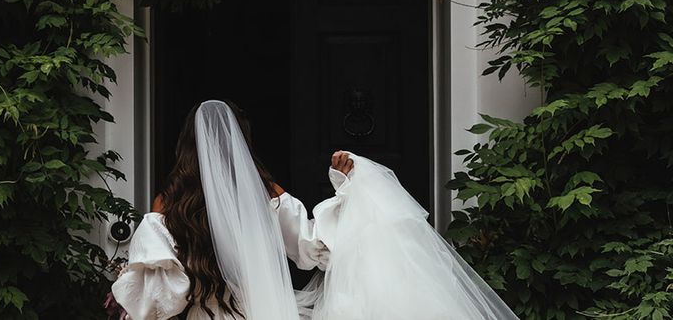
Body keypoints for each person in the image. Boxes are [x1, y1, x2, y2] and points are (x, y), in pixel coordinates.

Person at [110, 99, 520, 320]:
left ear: (184, 146)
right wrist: (348, 192)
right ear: (242, 144)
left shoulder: (168, 205)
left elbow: (159, 302)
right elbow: (312, 247)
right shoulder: (265, 194)